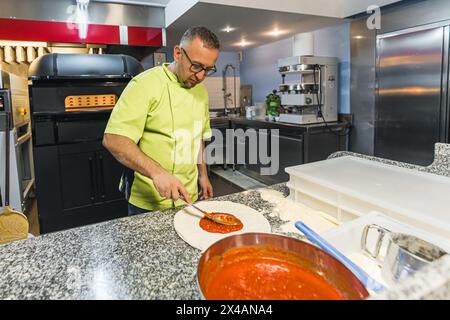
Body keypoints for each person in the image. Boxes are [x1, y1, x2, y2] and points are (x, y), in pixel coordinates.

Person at [103, 26, 220, 215]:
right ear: (177, 53)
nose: (200, 76)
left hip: (188, 197)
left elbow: (198, 139)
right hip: (147, 201)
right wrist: (158, 173)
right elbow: (114, 140)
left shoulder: (202, 92)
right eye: (196, 66)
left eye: (207, 69)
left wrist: (203, 176)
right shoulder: (144, 84)